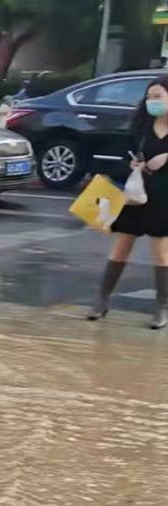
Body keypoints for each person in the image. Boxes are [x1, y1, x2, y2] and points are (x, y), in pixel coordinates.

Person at [88, 75, 168, 330]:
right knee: (121, 246)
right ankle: (102, 300)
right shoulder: (140, 128)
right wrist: (130, 165)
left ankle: (161, 307)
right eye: (149, 97)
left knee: (162, 253)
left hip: (164, 197)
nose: (152, 102)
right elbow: (121, 158)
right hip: (135, 196)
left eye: (158, 97)